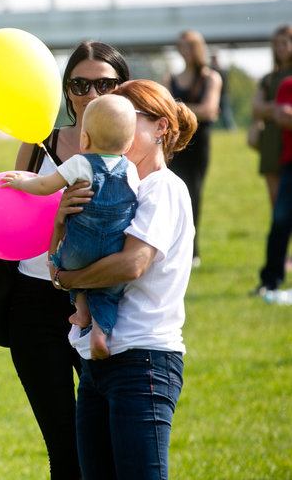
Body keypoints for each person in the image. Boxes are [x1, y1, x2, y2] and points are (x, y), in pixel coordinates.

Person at [0, 40, 130, 480]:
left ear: (122, 87)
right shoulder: (40, 144)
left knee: (110, 443)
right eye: (79, 84)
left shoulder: (131, 154)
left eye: (104, 84)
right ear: (65, 90)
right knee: (64, 445)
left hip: (103, 306)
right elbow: (0, 229)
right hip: (33, 307)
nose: (91, 95)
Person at [53, 79, 197, 480]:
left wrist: (66, 278)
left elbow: (131, 264)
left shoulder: (162, 188)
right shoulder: (117, 188)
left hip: (144, 360)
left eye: (126, 117)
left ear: (160, 128)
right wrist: (64, 219)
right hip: (97, 362)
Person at [1, 94, 139, 360]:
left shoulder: (80, 163)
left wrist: (20, 182)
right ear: (129, 142)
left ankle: (81, 309)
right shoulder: (131, 170)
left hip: (78, 249)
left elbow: (44, 186)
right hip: (113, 250)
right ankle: (99, 332)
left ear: (84, 139)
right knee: (108, 291)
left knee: (64, 265)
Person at [164, 30, 221, 268]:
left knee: (194, 194)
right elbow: (163, 108)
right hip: (173, 144)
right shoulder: (171, 78)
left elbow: (210, 110)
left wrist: (178, 110)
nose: (183, 50)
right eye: (180, 45)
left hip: (199, 144)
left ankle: (192, 251)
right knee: (169, 194)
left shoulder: (211, 78)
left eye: (188, 46)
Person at [254, 75, 292, 294]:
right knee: (280, 221)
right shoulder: (287, 84)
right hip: (290, 164)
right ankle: (270, 280)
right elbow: (281, 117)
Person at [250, 25, 292, 209]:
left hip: (289, 138)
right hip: (271, 141)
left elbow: (263, 108)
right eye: (277, 44)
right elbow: (256, 108)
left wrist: (272, 109)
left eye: (285, 43)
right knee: (277, 207)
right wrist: (278, 108)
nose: (281, 48)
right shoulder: (268, 78)